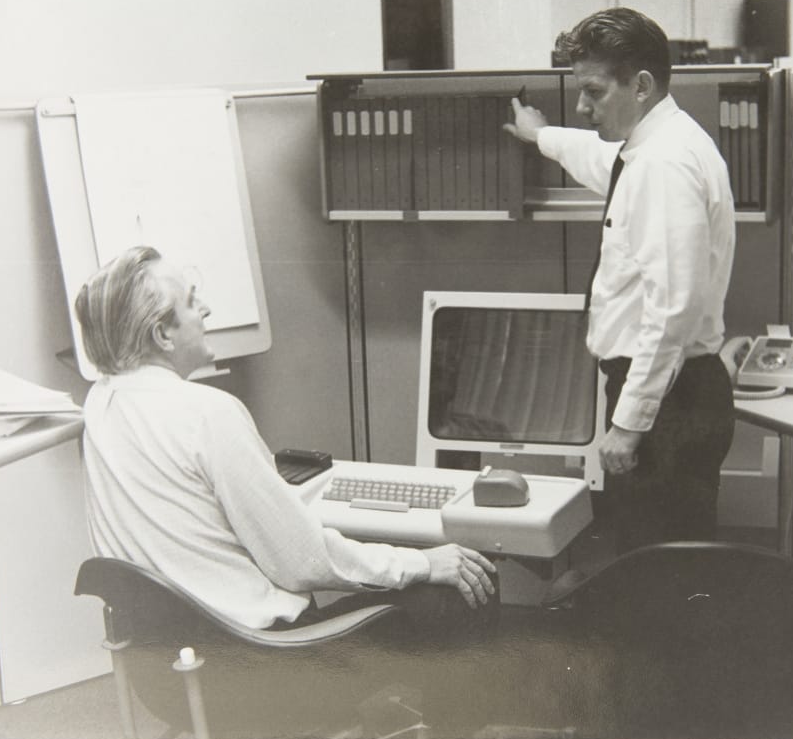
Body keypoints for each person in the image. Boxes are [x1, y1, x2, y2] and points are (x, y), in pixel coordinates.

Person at [73, 245, 497, 636]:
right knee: (465, 584)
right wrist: (423, 562)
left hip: (172, 668)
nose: (206, 310)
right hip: (268, 657)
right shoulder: (207, 413)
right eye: (191, 301)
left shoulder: (98, 409)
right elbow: (302, 560)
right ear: (162, 335)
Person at [504, 7, 736, 551]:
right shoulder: (659, 145)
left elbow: (674, 309)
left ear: (642, 86)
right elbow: (604, 161)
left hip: (664, 403)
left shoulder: (663, 165)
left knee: (650, 574)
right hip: (672, 391)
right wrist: (541, 136)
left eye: (594, 92)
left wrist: (630, 424)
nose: (582, 107)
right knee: (663, 566)